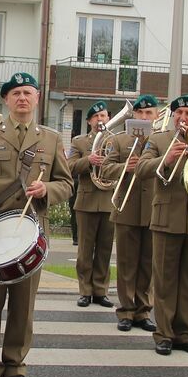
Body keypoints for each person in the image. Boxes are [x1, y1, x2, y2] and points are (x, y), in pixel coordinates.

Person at [0, 72, 73, 377]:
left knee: (23, 306)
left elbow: (67, 184)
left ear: (37, 98)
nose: (22, 98)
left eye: (27, 92)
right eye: (15, 92)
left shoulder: (50, 139)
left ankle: (15, 366)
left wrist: (47, 189)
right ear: (6, 99)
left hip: (30, 234)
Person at [137, 94, 188, 356]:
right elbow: (142, 169)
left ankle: (185, 333)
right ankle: (164, 334)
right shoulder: (158, 139)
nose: (185, 118)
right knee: (165, 281)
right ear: (172, 115)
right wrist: (165, 160)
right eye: (180, 113)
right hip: (166, 219)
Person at [103, 94, 159, 333]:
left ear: (156, 116)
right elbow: (105, 169)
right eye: (140, 113)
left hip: (153, 209)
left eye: (149, 113)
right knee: (127, 264)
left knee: (148, 264)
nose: (144, 117)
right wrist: (126, 167)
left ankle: (143, 311)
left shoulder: (162, 140)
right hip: (126, 209)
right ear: (134, 115)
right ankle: (126, 311)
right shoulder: (119, 140)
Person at [65, 100, 116, 310]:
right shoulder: (79, 142)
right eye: (96, 117)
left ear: (109, 119)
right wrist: (89, 160)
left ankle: (100, 291)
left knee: (104, 250)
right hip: (86, 201)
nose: (100, 120)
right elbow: (68, 166)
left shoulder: (115, 141)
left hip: (109, 201)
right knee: (85, 251)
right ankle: (85, 291)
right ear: (89, 121)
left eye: (103, 116)